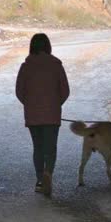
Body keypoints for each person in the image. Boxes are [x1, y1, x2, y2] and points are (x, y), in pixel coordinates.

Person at [14, 33, 70, 196]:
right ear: (48, 46)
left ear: (32, 47)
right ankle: (48, 173)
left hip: (33, 115)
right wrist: (55, 104)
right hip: (52, 114)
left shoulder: (26, 66)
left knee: (38, 147)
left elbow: (19, 91)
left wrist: (30, 104)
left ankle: (39, 180)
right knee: (50, 148)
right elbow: (65, 91)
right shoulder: (56, 65)